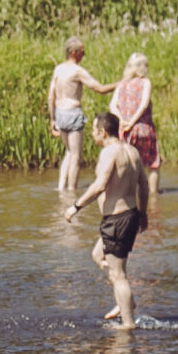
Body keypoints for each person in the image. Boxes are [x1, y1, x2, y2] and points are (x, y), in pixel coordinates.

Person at [69, 112, 151, 328]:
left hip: (117, 220)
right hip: (130, 216)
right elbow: (144, 185)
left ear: (103, 132)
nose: (93, 136)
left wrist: (75, 207)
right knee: (98, 255)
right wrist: (142, 214)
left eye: (94, 132)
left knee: (119, 274)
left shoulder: (109, 153)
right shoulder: (132, 151)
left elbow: (99, 185)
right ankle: (126, 300)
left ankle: (128, 323)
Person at [47, 36, 118, 197]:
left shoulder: (58, 69)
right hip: (72, 112)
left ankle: (60, 188)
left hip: (60, 113)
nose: (84, 54)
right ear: (73, 53)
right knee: (76, 156)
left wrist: (52, 120)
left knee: (68, 152)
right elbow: (99, 88)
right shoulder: (77, 71)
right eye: (82, 51)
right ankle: (72, 191)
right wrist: (120, 84)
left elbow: (51, 97)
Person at [109, 52, 161, 205]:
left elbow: (112, 106)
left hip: (124, 129)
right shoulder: (145, 82)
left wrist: (123, 120)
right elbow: (144, 103)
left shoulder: (121, 85)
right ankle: (152, 197)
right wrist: (132, 121)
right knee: (152, 163)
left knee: (128, 163)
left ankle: (126, 195)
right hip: (143, 128)